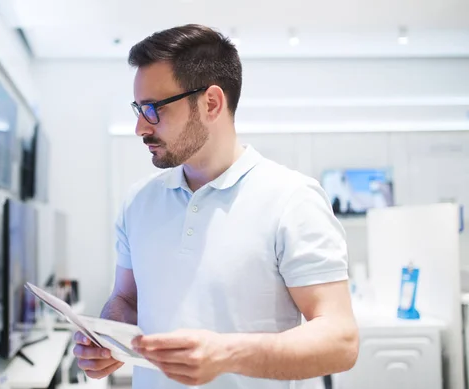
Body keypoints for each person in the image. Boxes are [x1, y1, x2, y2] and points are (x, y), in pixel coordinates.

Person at [73, 24, 359, 389]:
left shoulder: (292, 199)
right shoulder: (139, 202)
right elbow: (127, 298)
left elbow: (341, 341)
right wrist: (106, 339)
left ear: (211, 103)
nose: (140, 128)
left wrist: (228, 354)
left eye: (152, 109)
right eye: (138, 109)